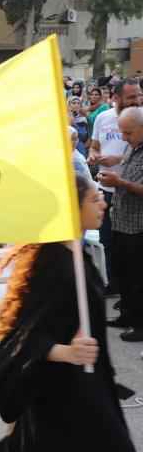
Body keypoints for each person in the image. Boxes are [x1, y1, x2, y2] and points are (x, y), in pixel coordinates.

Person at [0, 175, 141, 452]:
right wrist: (64, 352)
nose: (103, 201)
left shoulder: (78, 253)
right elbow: (22, 335)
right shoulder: (54, 265)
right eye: (93, 198)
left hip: (89, 385)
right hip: (64, 393)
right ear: (71, 209)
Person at [89, 78, 140, 296]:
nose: (136, 100)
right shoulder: (103, 118)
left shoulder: (140, 118)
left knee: (134, 253)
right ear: (116, 97)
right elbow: (94, 146)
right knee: (110, 243)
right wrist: (95, 156)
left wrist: (115, 161)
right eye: (131, 97)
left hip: (134, 199)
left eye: (139, 95)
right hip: (109, 192)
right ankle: (116, 289)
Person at [98, 106, 143, 341]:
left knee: (137, 278)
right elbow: (124, 166)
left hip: (138, 227)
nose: (124, 138)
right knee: (123, 274)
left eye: (128, 133)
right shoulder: (132, 147)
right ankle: (127, 314)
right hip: (120, 221)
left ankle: (139, 324)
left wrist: (120, 182)